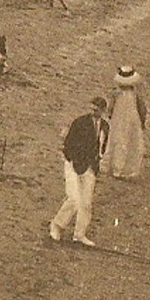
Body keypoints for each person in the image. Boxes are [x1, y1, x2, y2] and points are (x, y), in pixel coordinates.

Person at [50, 96, 106, 245]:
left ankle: (79, 234)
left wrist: (95, 163)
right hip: (73, 164)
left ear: (102, 111)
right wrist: (74, 161)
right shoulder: (80, 123)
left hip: (90, 167)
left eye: (96, 110)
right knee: (74, 198)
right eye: (92, 109)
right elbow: (68, 144)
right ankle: (57, 225)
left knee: (86, 202)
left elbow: (102, 148)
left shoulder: (105, 127)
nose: (93, 112)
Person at [103, 66, 148, 180]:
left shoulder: (118, 93)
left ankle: (117, 168)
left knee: (118, 141)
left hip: (120, 120)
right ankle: (125, 169)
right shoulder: (134, 93)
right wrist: (142, 120)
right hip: (130, 120)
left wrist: (110, 115)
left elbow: (111, 107)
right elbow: (142, 108)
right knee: (129, 142)